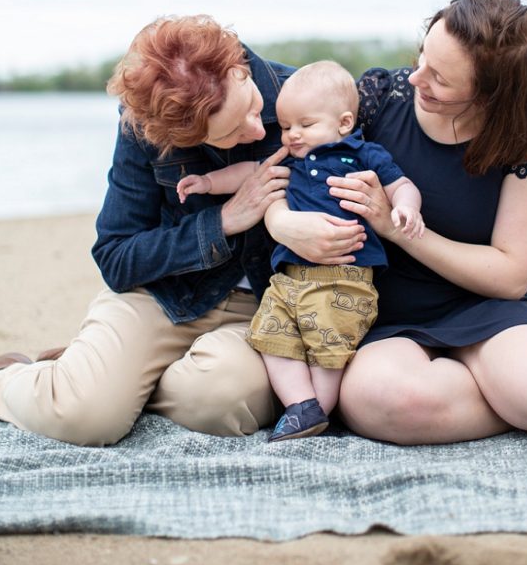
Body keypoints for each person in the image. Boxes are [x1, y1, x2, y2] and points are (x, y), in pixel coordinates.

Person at [266, 0, 527, 443]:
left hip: (485, 309)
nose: (418, 77)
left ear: (489, 95)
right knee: (380, 400)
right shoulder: (379, 97)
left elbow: (510, 276)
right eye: (422, 56)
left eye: (440, 78)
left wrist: (396, 229)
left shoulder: (521, 141)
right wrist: (280, 222)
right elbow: (283, 160)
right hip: (381, 318)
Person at [0, 15, 312, 445]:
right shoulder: (148, 124)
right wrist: (221, 223)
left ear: (239, 67)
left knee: (218, 402)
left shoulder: (307, 97)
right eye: (232, 133)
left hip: (262, 307)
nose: (257, 130)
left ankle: (97, 374)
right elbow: (116, 256)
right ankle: (30, 379)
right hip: (163, 295)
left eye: (254, 108)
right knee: (84, 418)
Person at [176, 60, 423, 442]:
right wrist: (207, 182)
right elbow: (248, 173)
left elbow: (401, 184)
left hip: (344, 280)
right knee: (271, 337)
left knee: (328, 347)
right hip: (288, 280)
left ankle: (320, 410)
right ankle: (301, 406)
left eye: (305, 125)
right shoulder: (291, 159)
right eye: (287, 126)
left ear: (343, 123)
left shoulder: (362, 156)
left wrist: (406, 207)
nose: (292, 135)